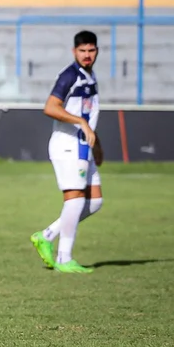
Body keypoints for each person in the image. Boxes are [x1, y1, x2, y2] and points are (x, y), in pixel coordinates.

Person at [29, 31, 103, 274]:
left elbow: (87, 114)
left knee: (94, 202)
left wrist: (97, 143)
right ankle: (64, 258)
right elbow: (50, 107)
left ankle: (46, 235)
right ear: (74, 52)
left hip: (84, 146)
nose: (87, 55)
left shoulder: (90, 77)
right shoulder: (69, 75)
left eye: (91, 50)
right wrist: (80, 124)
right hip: (68, 144)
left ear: (97, 51)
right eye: (82, 50)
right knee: (76, 200)